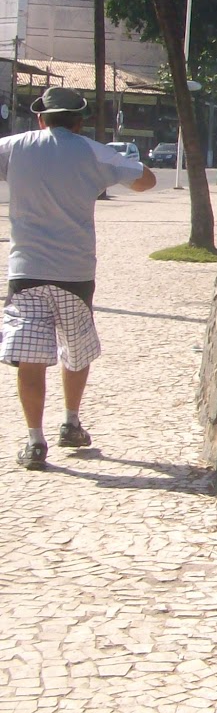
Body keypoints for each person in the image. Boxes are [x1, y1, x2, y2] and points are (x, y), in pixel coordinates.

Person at [1, 86, 157, 470]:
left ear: (41, 119)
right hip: (75, 273)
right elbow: (147, 180)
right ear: (79, 121)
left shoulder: (15, 147)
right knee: (76, 348)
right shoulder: (93, 151)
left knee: (30, 358)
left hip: (26, 270)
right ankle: (71, 422)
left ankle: (34, 441)